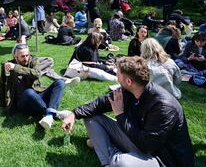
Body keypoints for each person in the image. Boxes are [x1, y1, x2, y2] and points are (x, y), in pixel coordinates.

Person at [61, 56, 194, 167]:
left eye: (117, 73)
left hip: (163, 158)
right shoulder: (130, 90)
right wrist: (74, 114)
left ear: (128, 81)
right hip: (138, 140)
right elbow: (102, 103)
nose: (115, 75)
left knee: (121, 163)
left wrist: (120, 115)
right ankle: (107, 163)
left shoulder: (163, 107)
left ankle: (108, 150)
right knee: (92, 117)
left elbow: (146, 145)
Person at [0, 43, 72, 130]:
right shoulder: (8, 65)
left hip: (38, 96)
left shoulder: (33, 60)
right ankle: (55, 113)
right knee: (29, 92)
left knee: (60, 82)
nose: (26, 58)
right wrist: (3, 105)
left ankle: (49, 115)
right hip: (23, 102)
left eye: (27, 55)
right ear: (15, 56)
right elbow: (2, 84)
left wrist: (16, 67)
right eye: (22, 56)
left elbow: (36, 74)